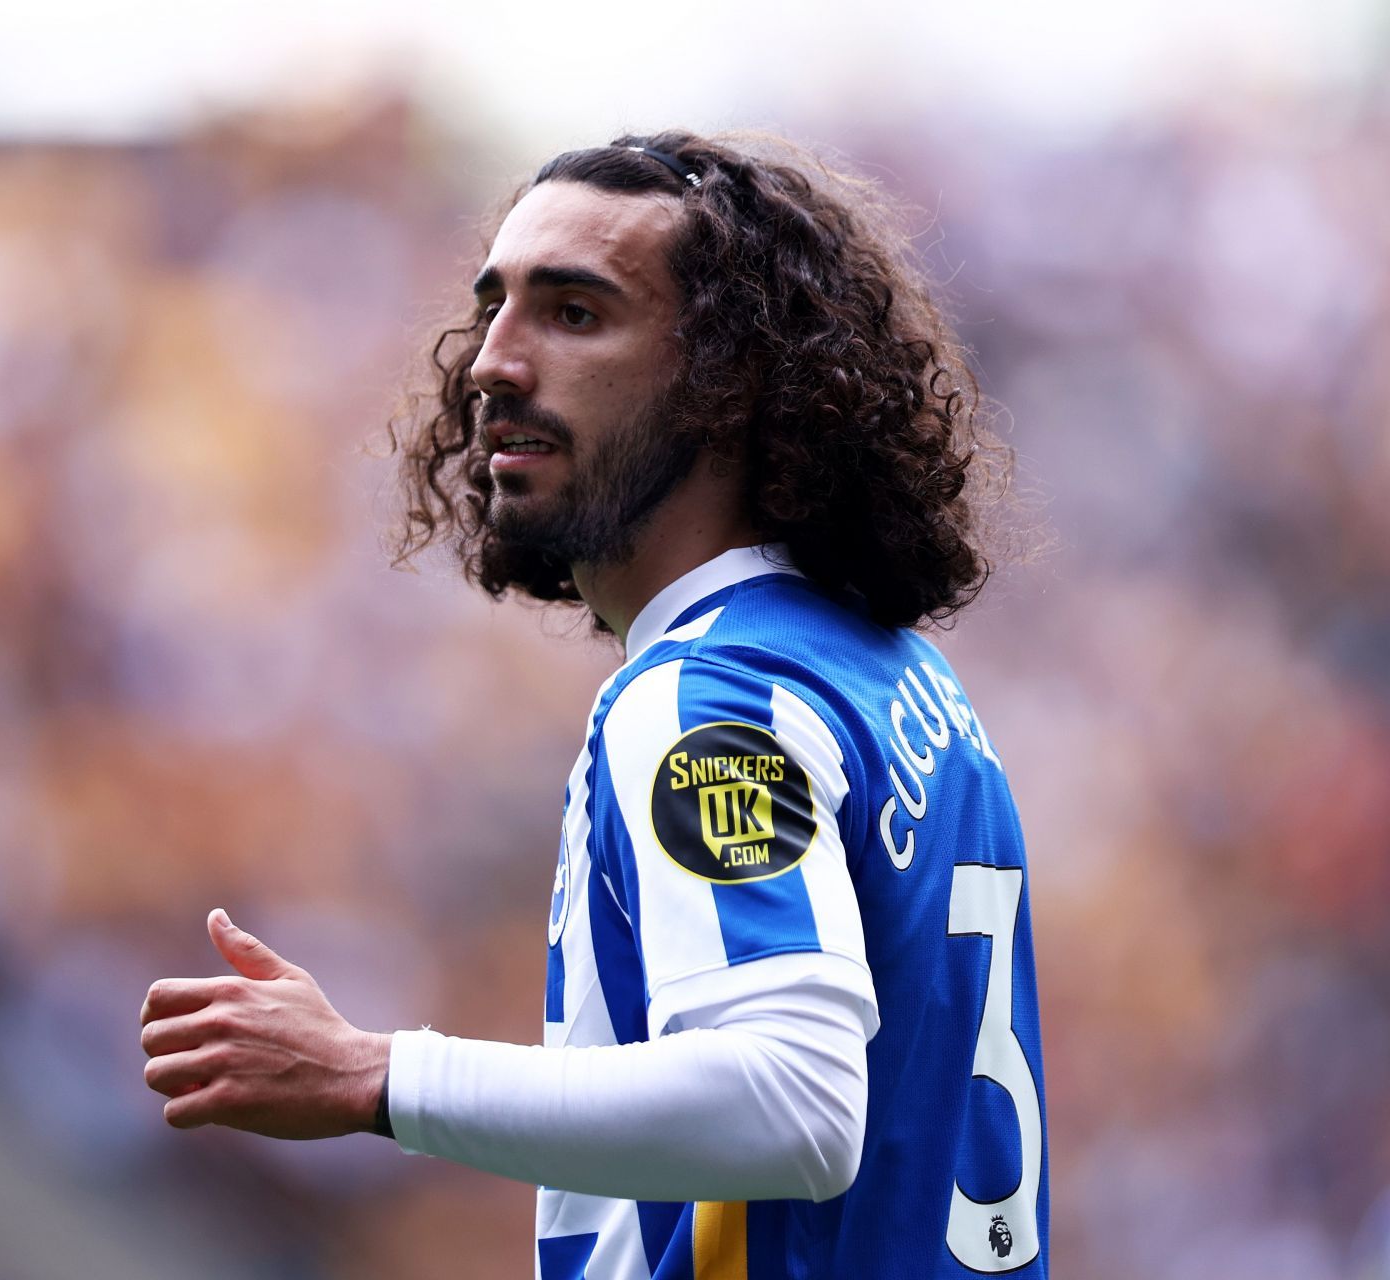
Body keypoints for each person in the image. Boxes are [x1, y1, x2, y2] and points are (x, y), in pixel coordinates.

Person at [139, 129, 1047, 1278]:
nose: (491, 363)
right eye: (496, 307)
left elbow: (798, 1098)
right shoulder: (889, 671)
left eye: (574, 312)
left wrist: (373, 1073)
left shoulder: (710, 696)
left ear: (734, 377)